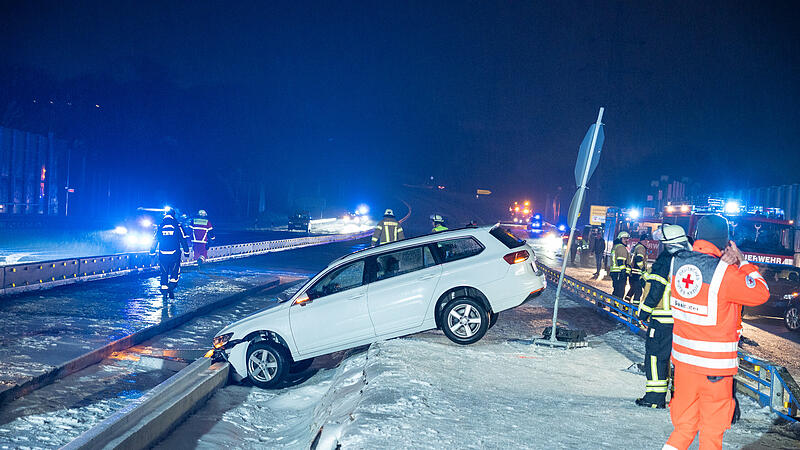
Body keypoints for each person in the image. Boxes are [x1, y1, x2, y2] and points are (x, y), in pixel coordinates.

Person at [664, 215, 769, 450]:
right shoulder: (725, 274)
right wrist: (742, 262)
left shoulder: (679, 265)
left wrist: (724, 263)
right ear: (725, 241)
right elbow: (761, 293)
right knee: (711, 434)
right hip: (714, 371)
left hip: (683, 365)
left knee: (683, 428)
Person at [635, 224, 690, 409]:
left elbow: (655, 289)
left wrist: (642, 313)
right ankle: (679, 398)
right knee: (680, 361)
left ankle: (654, 398)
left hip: (662, 320)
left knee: (656, 358)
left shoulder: (664, 261)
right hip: (684, 321)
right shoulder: (691, 261)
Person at [150, 207, 190, 300]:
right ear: (173, 215)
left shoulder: (160, 226)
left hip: (162, 254)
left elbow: (155, 240)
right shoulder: (177, 225)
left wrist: (152, 252)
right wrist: (186, 252)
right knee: (175, 272)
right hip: (174, 254)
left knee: (164, 272)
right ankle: (171, 287)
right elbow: (183, 239)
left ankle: (164, 291)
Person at [626, 238, 648, 303]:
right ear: (642, 241)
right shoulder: (641, 248)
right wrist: (643, 269)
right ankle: (635, 307)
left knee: (633, 289)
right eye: (645, 240)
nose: (647, 242)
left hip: (633, 272)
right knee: (638, 291)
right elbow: (639, 259)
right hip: (637, 273)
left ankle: (625, 303)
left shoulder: (637, 247)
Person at [610, 231, 630, 298]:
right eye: (624, 239)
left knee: (616, 291)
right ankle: (617, 307)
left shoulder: (616, 246)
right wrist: (623, 271)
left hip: (615, 272)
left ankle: (613, 306)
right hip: (619, 273)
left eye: (627, 239)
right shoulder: (621, 247)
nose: (626, 240)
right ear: (620, 239)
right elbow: (620, 261)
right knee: (620, 292)